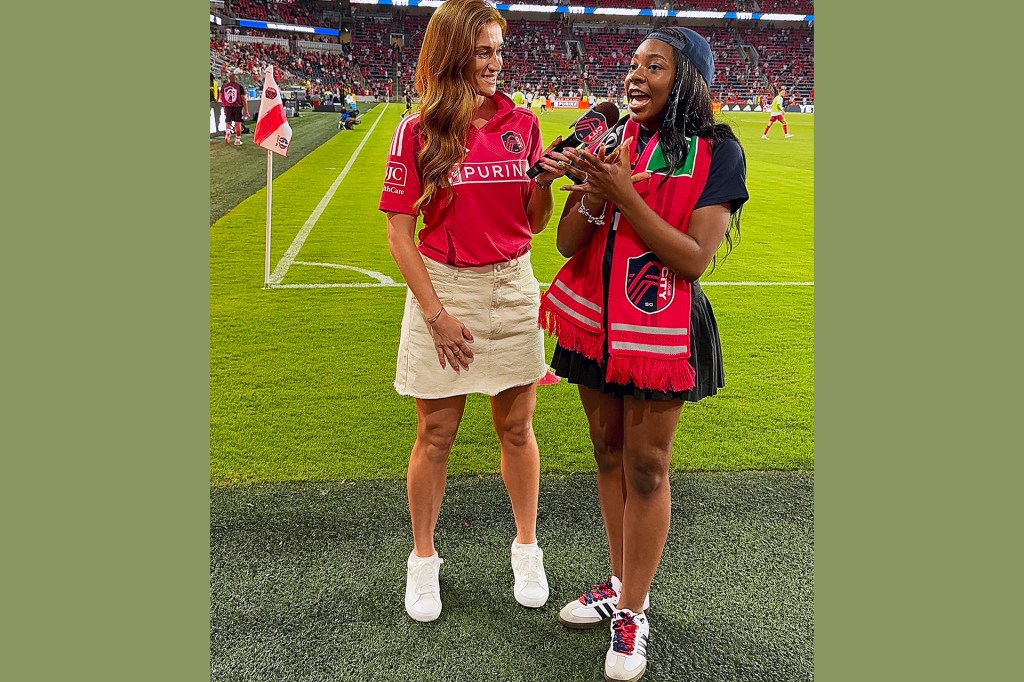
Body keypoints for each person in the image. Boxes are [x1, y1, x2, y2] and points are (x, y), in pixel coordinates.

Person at [538, 27, 748, 681]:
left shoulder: (719, 151)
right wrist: (595, 195)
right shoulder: (609, 140)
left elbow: (693, 258)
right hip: (594, 317)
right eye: (631, 64)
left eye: (653, 66)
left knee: (647, 466)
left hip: (660, 322)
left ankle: (633, 611)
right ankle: (622, 580)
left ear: (688, 79)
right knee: (606, 452)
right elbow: (567, 245)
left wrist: (626, 195)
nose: (634, 75)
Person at [378, 0, 568, 624]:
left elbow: (531, 223)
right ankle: (424, 561)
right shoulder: (417, 130)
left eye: (498, 51)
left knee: (516, 430)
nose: (494, 63)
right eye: (482, 51)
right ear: (453, 52)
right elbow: (400, 235)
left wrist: (544, 181)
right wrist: (436, 316)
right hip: (443, 291)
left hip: (513, 286)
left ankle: (526, 547)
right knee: (436, 436)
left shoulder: (524, 123)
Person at [219, 72, 246, 146]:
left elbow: (221, 97)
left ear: (229, 78)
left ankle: (228, 131)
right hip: (237, 106)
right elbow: (243, 99)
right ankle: (237, 140)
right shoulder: (239, 86)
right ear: (235, 78)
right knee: (238, 123)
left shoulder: (224, 86)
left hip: (227, 107)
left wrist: (224, 105)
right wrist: (246, 110)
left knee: (228, 122)